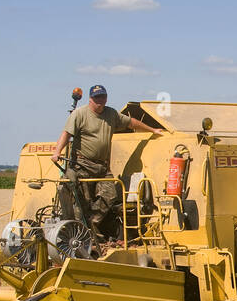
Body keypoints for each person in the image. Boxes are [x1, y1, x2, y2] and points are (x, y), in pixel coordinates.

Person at [51, 85, 160, 239]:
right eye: (97, 98)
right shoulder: (80, 114)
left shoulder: (111, 114)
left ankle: (92, 224)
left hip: (102, 166)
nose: (100, 101)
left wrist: (152, 130)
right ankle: (80, 234)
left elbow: (132, 123)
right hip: (82, 164)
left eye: (103, 97)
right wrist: (57, 152)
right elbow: (66, 134)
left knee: (110, 195)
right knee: (82, 200)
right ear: (90, 99)